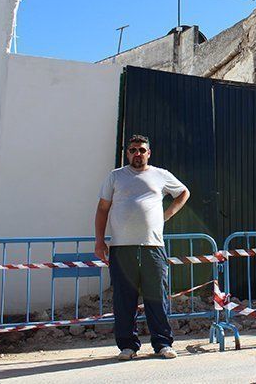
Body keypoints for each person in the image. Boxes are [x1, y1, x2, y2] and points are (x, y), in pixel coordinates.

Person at [94, 134, 190, 360]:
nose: (137, 154)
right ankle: (127, 346)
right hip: (121, 247)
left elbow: (183, 193)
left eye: (141, 150)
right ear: (127, 153)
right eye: (133, 150)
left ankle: (163, 344)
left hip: (152, 247)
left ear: (149, 153)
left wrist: (167, 215)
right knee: (124, 299)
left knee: (156, 296)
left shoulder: (161, 175)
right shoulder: (115, 177)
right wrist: (99, 240)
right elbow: (102, 208)